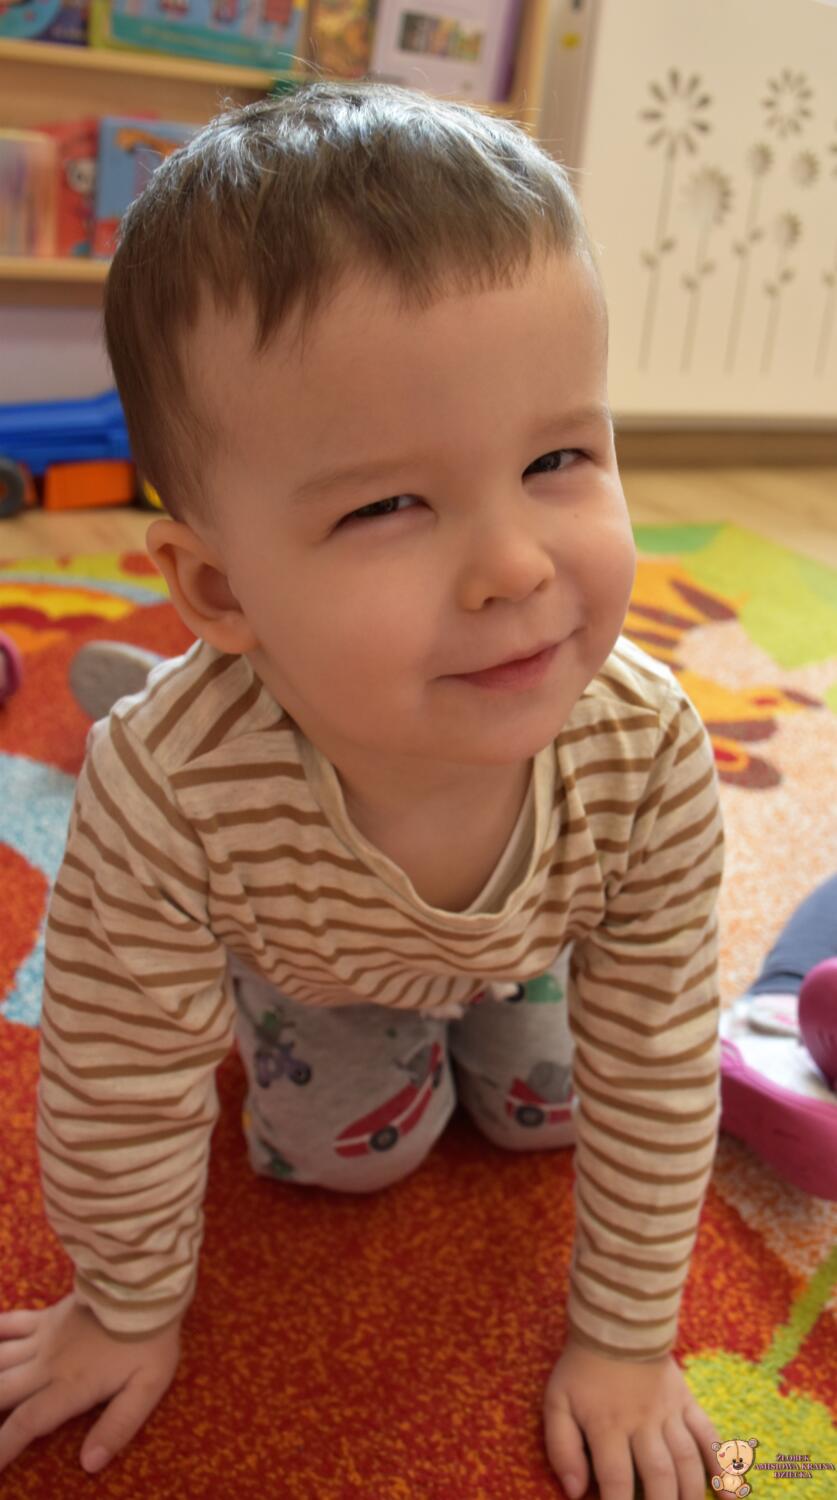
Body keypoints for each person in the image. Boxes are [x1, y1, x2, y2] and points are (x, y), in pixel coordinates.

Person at [0, 84, 727, 1497]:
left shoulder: (643, 750)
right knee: (345, 1157)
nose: (514, 567)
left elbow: (657, 1049)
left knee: (556, 1110)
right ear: (221, 587)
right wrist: (127, 1306)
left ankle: (490, 971)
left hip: (523, 941)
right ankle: (145, 685)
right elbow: (118, 1076)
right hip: (311, 959)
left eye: (557, 458)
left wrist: (629, 1342)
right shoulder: (174, 792)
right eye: (388, 505)